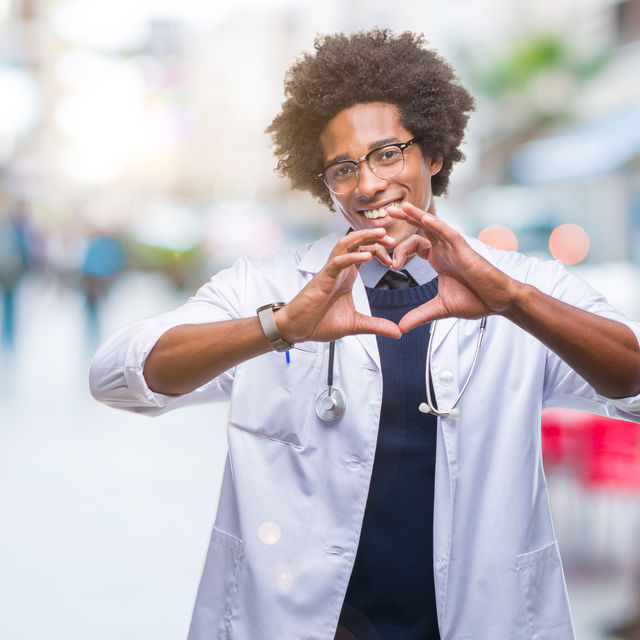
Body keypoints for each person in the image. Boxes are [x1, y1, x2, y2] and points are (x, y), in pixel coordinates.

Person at [90, 29, 640, 640]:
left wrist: (512, 301)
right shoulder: (272, 287)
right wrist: (279, 327)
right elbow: (119, 377)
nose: (368, 184)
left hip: (481, 617)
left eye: (387, 154)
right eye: (343, 168)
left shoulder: (518, 285)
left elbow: (633, 381)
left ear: (432, 154)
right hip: (305, 622)